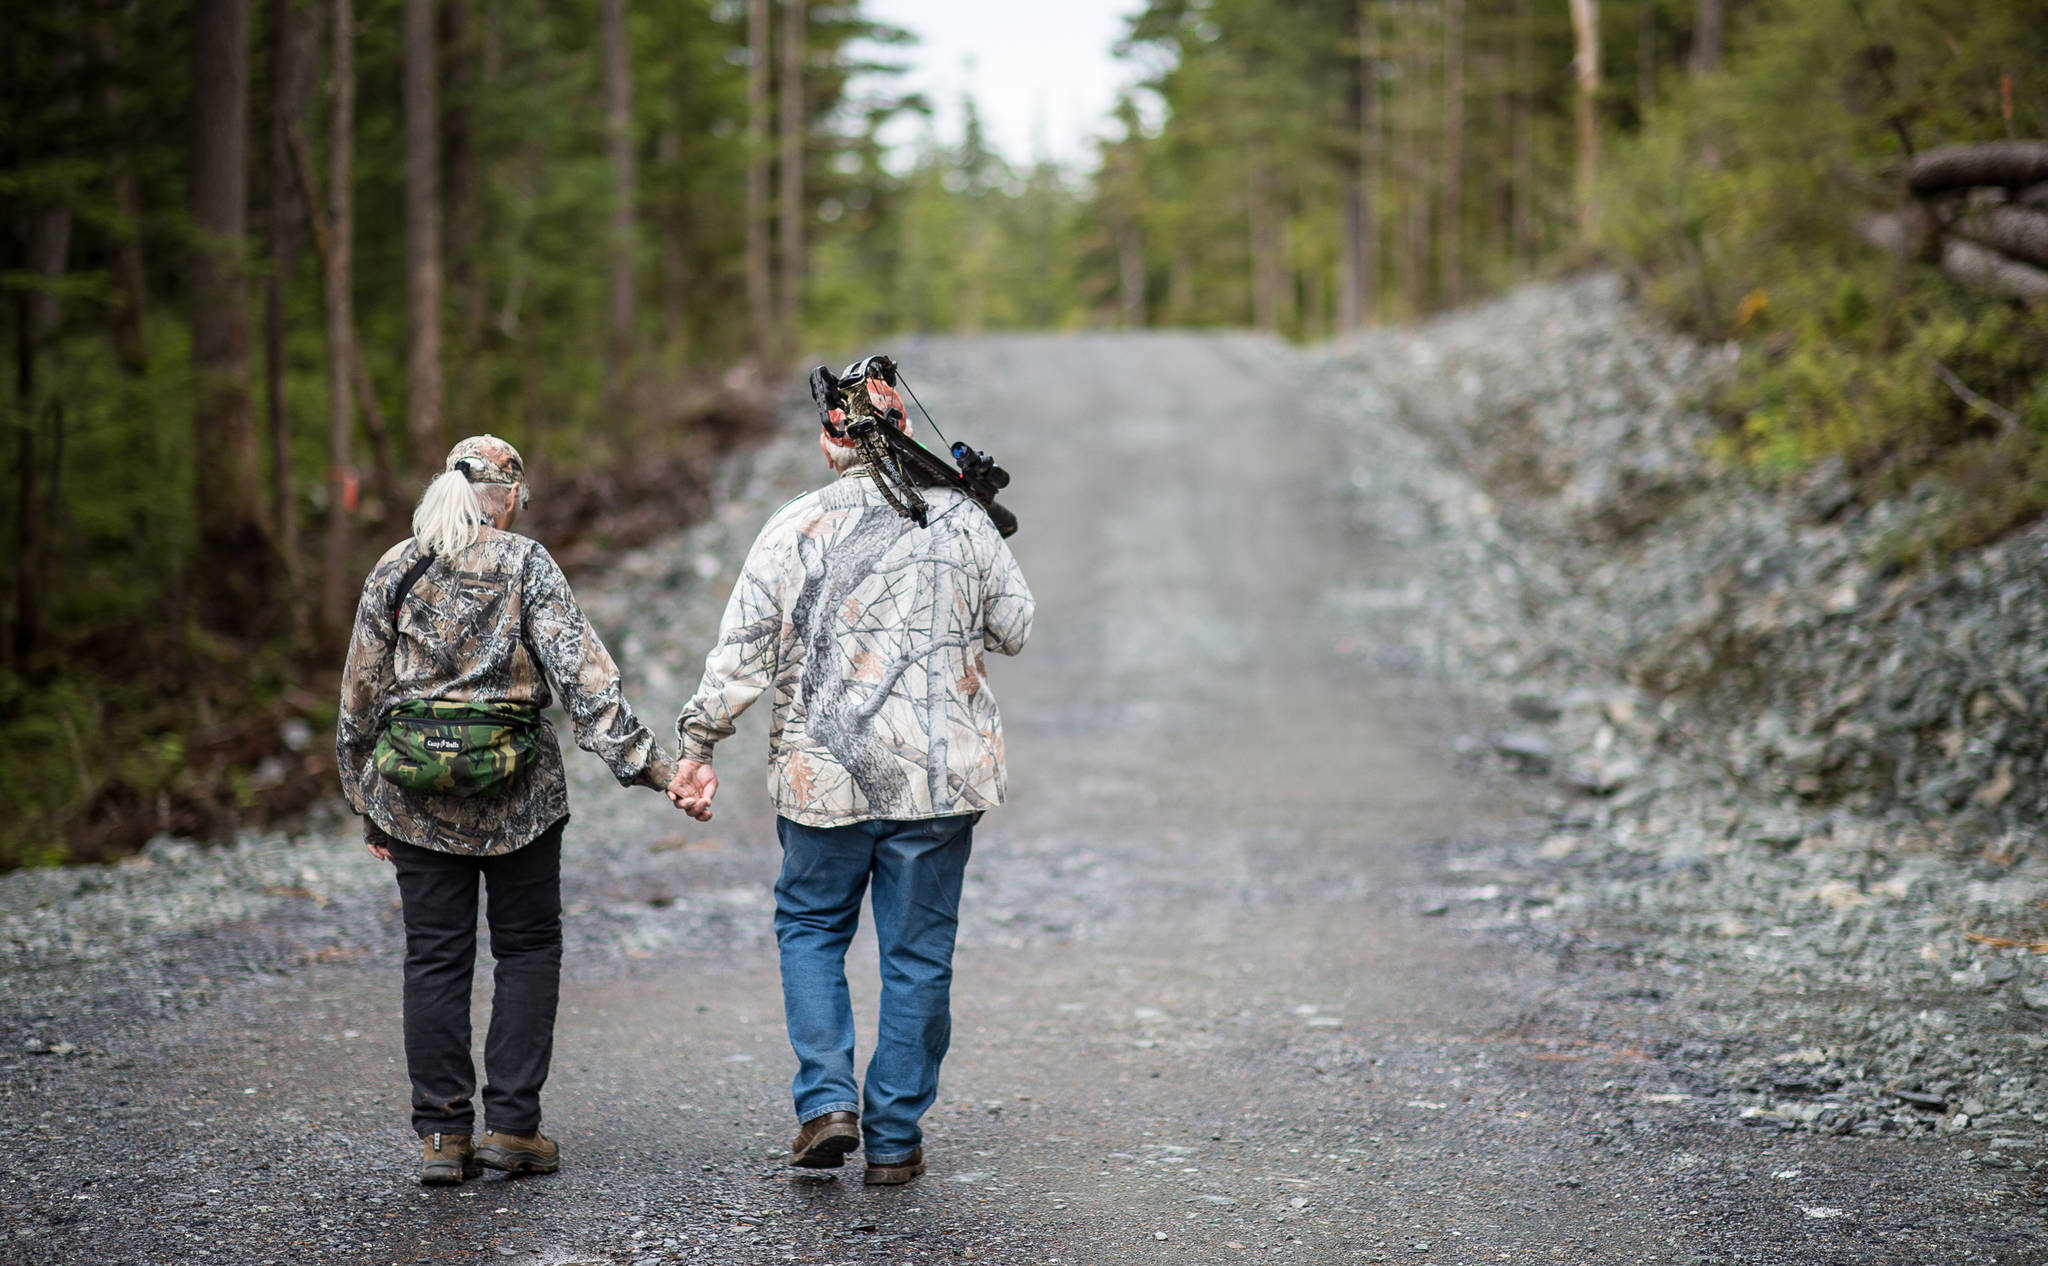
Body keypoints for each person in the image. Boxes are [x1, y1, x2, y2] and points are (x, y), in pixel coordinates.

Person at [667, 366, 1034, 1186]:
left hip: (820, 777)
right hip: (937, 783)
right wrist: (970, 529)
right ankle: (896, 1138)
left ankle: (828, 1103)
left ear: (833, 439)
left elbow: (742, 651)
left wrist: (697, 744)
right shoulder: (962, 521)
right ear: (904, 429)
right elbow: (1015, 628)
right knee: (917, 953)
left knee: (810, 928)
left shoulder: (794, 525)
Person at [337, 434, 677, 1186]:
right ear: (511, 496)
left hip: (416, 803)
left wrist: (365, 800)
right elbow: (586, 683)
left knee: (435, 956)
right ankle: (514, 1129)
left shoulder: (394, 567)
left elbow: (358, 696)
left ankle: (442, 1137)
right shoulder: (527, 565)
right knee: (525, 949)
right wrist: (655, 770)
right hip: (518, 799)